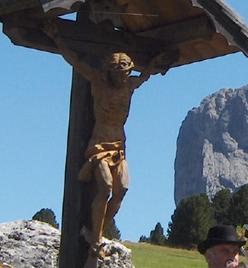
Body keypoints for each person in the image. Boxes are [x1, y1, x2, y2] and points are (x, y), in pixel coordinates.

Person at [43, 18, 170, 246]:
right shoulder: (98, 81)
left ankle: (96, 231)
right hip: (100, 142)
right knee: (106, 186)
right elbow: (75, 60)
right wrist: (57, 39)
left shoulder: (130, 85)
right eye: (118, 73)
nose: (122, 77)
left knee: (122, 188)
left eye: (125, 73)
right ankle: (96, 235)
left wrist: (156, 60)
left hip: (119, 144)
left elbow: (145, 75)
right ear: (109, 71)